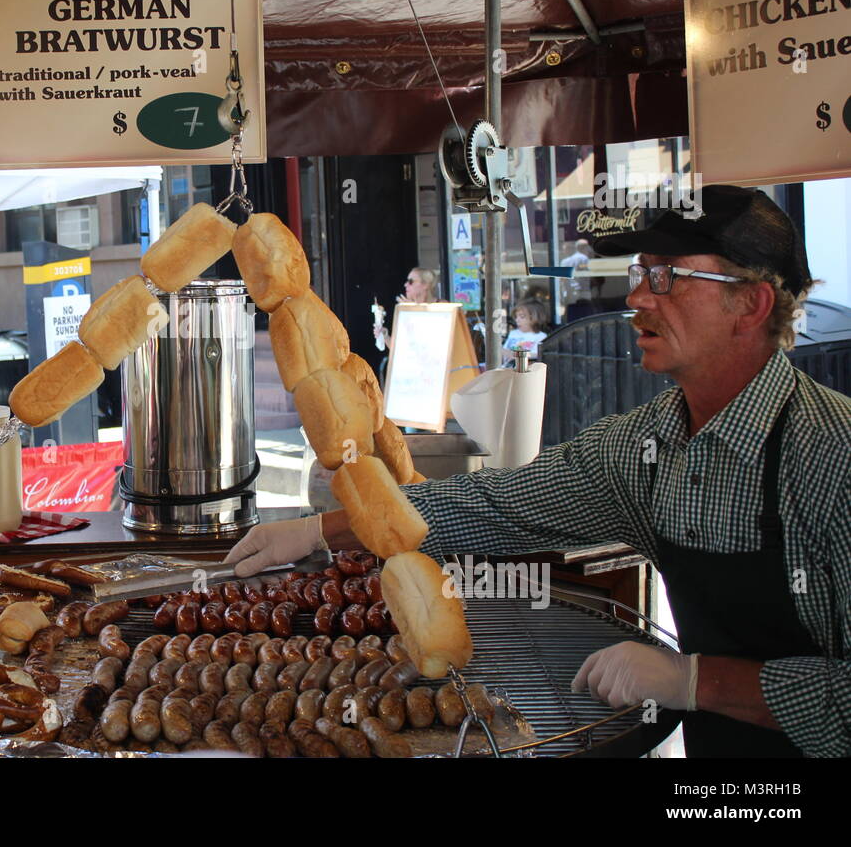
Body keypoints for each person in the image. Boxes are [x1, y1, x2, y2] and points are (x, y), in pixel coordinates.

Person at [227, 185, 850, 757]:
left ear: (752, 303)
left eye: (667, 277)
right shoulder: (648, 445)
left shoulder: (833, 457)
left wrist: (696, 679)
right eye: (640, 273)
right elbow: (493, 504)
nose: (636, 298)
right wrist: (316, 531)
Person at [560, 238, 599, 322]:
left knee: (570, 314)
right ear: (584, 248)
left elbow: (562, 279)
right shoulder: (584, 259)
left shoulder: (565, 261)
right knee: (586, 316)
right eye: (586, 247)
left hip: (569, 292)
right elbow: (588, 276)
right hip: (583, 291)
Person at [500, 298, 549, 366]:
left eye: (522, 317)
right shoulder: (513, 333)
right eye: (516, 317)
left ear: (534, 318)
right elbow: (503, 355)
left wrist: (513, 354)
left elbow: (537, 355)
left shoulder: (541, 337)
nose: (517, 320)